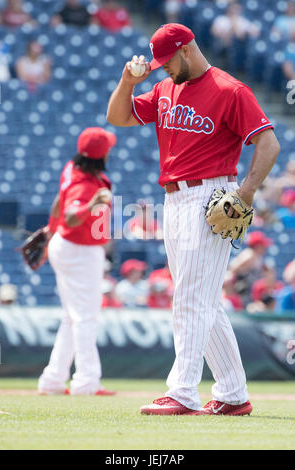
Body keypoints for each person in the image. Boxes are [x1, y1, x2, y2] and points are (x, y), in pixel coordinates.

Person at [106, 22, 280, 416]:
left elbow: (268, 143)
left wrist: (246, 193)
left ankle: (182, 390)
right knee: (203, 300)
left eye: (167, 60)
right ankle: (233, 395)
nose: (162, 68)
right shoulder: (167, 87)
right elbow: (118, 117)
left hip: (211, 195)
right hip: (173, 199)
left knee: (189, 298)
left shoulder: (229, 90)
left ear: (186, 49)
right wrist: (126, 81)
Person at [38, 127, 117, 396]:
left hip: (68, 245)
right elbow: (72, 216)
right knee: (86, 318)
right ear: (100, 156)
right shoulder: (86, 185)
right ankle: (86, 382)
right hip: (80, 250)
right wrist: (93, 201)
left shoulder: (72, 167)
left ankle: (52, 380)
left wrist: (50, 229)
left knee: (72, 318)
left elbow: (59, 201)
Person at [229, 231, 273, 305]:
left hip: (248, 290)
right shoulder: (249, 254)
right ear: (257, 245)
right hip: (240, 290)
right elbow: (232, 269)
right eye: (262, 245)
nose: (265, 247)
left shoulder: (257, 256)